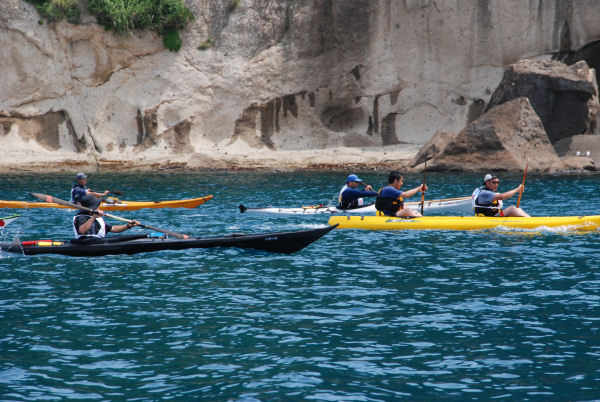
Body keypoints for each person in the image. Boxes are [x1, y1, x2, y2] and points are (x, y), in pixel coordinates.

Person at [73, 194, 139, 239]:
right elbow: (82, 231)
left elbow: (113, 228)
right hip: (84, 244)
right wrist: (93, 217)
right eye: (97, 206)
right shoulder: (80, 217)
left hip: (97, 242)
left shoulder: (96, 218)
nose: (98, 207)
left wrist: (128, 226)